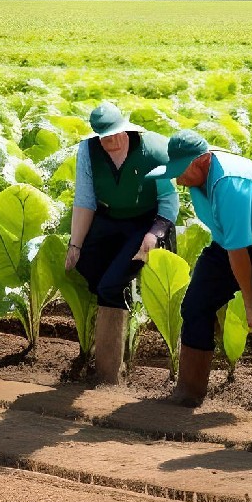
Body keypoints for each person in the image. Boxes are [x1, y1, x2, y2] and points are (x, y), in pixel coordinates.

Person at [146, 130, 252, 412]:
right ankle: (188, 391)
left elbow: (239, 252)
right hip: (230, 240)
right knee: (195, 304)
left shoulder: (230, 183)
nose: (178, 179)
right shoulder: (198, 175)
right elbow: (229, 243)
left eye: (182, 171)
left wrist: (250, 308)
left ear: (203, 161)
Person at [65, 102, 179, 384]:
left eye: (115, 134)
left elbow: (168, 200)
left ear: (126, 129)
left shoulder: (153, 149)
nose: (110, 142)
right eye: (103, 137)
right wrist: (75, 245)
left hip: (146, 222)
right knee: (88, 267)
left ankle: (109, 370)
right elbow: (85, 200)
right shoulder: (88, 151)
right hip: (109, 218)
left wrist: (154, 235)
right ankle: (121, 306)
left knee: (109, 286)